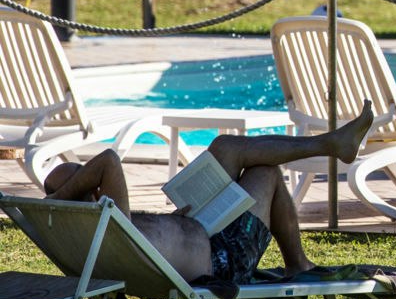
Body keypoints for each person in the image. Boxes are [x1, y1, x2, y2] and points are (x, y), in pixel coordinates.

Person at [40, 104, 375, 285]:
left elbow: (67, 179)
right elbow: (108, 162)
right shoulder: (108, 226)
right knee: (266, 173)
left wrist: (172, 223)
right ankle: (297, 263)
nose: (96, 187)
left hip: (197, 227)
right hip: (221, 258)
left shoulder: (105, 227)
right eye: (86, 183)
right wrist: (61, 196)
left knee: (226, 147)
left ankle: (331, 143)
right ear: (81, 193)